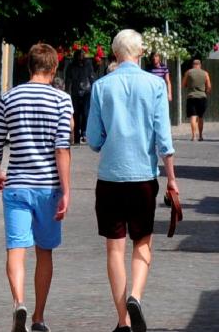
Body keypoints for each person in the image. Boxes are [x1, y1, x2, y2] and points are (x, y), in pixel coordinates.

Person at [87, 29, 178, 332]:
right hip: (143, 178)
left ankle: (122, 321)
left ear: (115, 54)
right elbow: (164, 140)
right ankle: (135, 296)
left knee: (114, 248)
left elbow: (94, 139)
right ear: (140, 53)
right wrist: (172, 180)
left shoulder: (101, 87)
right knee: (142, 240)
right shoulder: (155, 85)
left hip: (110, 177)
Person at [0, 43, 73, 332]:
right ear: (53, 68)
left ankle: (18, 303)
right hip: (47, 187)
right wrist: (66, 190)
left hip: (17, 185)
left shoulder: (9, 97)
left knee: (16, 247)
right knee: (44, 251)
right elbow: (62, 148)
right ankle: (38, 316)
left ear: (29, 66)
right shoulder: (62, 100)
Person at [65, 50, 96, 144]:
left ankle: (84, 133)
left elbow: (91, 77)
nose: (81, 57)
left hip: (87, 92)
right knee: (76, 114)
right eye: (79, 56)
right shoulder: (71, 66)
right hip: (75, 93)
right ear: (76, 57)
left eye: (82, 55)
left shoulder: (88, 65)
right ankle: (76, 136)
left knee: (86, 113)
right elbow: (68, 79)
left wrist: (94, 90)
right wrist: (67, 91)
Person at [181, 59, 211, 141]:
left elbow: (183, 84)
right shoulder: (205, 73)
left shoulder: (188, 72)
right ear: (200, 65)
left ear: (193, 65)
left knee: (193, 117)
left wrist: (188, 85)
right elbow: (209, 86)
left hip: (191, 97)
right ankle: (200, 135)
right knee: (200, 117)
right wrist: (206, 92)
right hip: (202, 97)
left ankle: (194, 136)